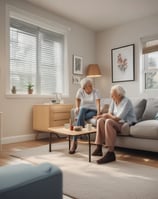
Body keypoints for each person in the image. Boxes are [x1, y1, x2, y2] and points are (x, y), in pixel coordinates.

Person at [92, 85, 137, 164]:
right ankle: (99, 148)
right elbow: (110, 112)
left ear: (119, 95)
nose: (111, 96)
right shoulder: (114, 100)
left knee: (108, 121)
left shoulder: (127, 102)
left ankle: (111, 153)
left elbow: (119, 118)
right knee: (100, 121)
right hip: (117, 122)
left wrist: (107, 115)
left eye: (113, 95)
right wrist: (103, 116)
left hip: (125, 123)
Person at [69, 77, 101, 154]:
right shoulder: (80, 91)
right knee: (82, 109)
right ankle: (75, 139)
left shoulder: (96, 91)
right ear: (84, 87)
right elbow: (77, 99)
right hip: (84, 110)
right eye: (89, 86)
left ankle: (74, 141)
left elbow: (98, 103)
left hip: (93, 110)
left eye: (91, 85)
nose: (91, 87)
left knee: (80, 117)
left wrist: (98, 112)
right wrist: (77, 107)